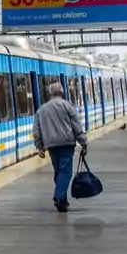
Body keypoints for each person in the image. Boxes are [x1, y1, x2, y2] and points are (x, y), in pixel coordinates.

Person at [33, 82, 89, 213]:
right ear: (62, 93)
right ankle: (58, 197)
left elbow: (36, 129)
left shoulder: (42, 109)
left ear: (50, 93)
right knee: (65, 172)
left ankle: (63, 201)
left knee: (59, 171)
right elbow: (76, 125)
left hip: (51, 145)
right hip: (66, 143)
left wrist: (39, 146)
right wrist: (83, 142)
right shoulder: (68, 106)